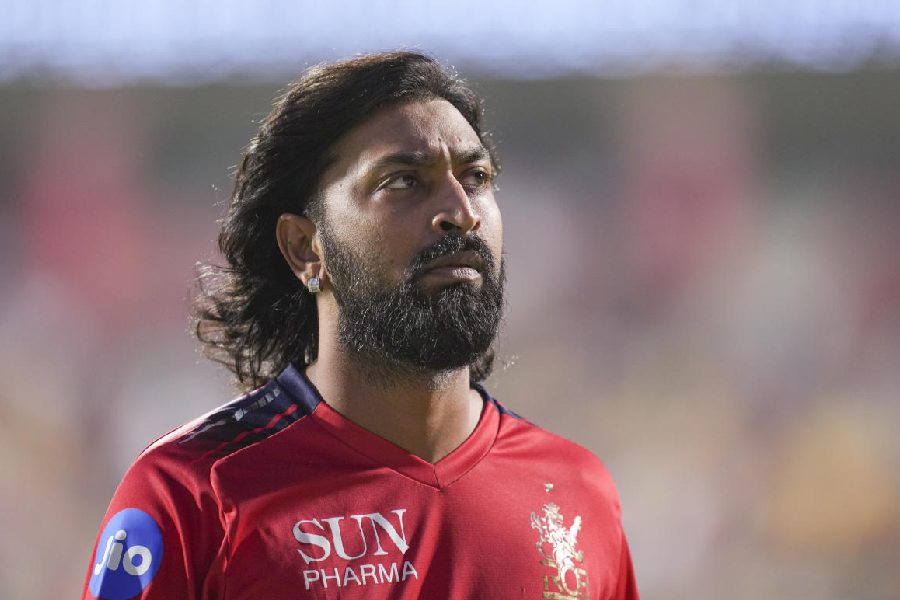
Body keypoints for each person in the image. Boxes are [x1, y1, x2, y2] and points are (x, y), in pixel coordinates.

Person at [82, 51, 639, 600]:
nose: (461, 212)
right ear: (306, 248)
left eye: (476, 177)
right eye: (403, 181)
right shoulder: (191, 495)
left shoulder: (577, 491)